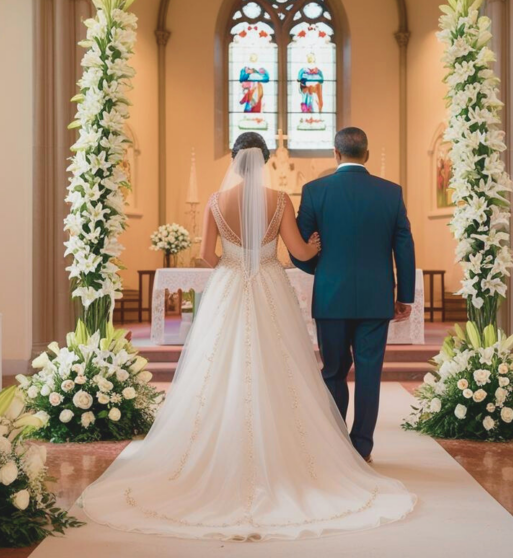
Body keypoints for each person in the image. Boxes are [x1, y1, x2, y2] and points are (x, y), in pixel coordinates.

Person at [78, 132, 415, 541]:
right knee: (285, 366)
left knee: (220, 365)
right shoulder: (281, 200)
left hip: (231, 285)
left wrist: (232, 266)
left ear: (236, 162)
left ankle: (220, 451)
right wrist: (311, 247)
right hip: (275, 286)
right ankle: (349, 447)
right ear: (268, 161)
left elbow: (204, 255)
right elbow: (300, 254)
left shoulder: (217, 202)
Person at [290, 126, 416, 462]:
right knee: (369, 373)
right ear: (368, 155)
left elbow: (299, 249)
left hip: (331, 298)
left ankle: (334, 445)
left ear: (335, 153)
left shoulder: (315, 190)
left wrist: (323, 272)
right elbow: (404, 245)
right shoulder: (391, 192)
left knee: (333, 371)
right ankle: (362, 448)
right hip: (376, 299)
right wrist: (405, 294)